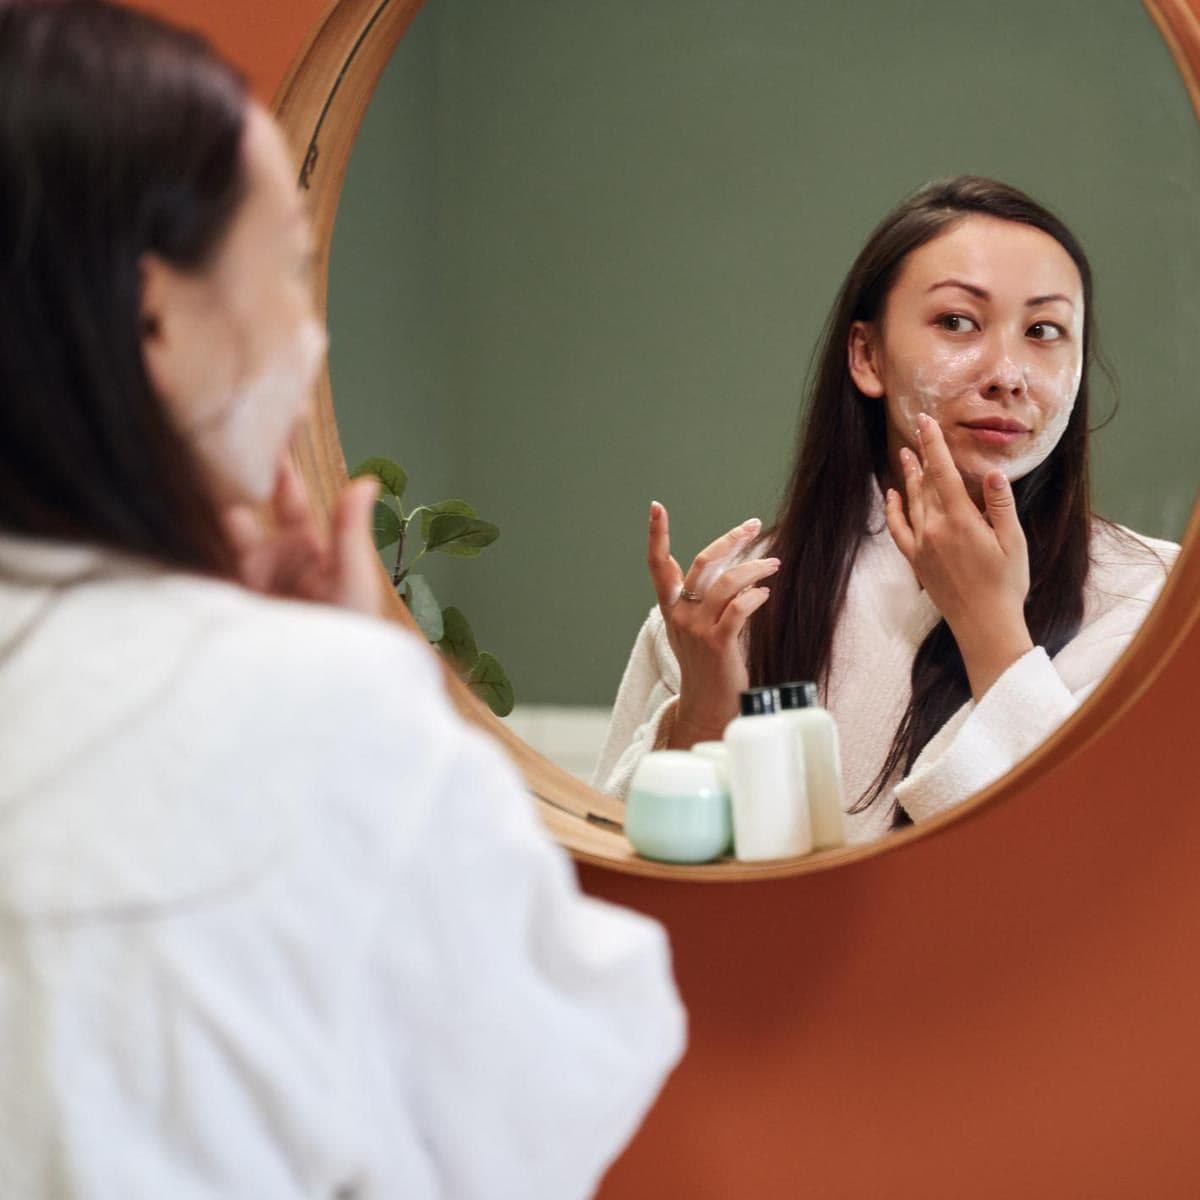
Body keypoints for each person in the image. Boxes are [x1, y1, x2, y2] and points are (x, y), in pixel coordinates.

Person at [0, 3, 684, 1196]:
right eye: (288, 268)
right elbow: (561, 1084)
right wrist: (372, 685)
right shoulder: (309, 708)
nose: (310, 338)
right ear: (157, 319)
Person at [595, 175, 1178, 845]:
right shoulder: (735, 605)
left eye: (1044, 330)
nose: (1007, 373)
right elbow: (630, 881)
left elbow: (1103, 872)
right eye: (958, 321)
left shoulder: (1151, 606)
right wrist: (703, 714)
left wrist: (991, 629)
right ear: (867, 356)